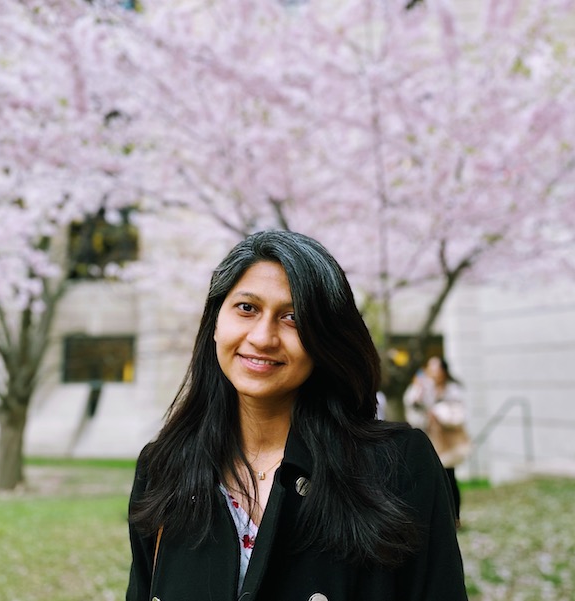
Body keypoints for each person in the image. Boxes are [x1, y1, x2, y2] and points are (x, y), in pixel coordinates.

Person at [126, 230, 467, 601]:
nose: (262, 337)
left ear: (326, 339)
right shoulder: (163, 468)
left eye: (292, 317)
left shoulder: (398, 465)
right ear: (215, 323)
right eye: (247, 308)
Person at [403, 356, 471, 526]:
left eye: (436, 368)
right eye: (430, 367)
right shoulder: (425, 387)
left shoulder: (452, 390)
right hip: (432, 438)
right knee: (433, 477)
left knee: (449, 477)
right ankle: (440, 518)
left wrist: (438, 413)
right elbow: (413, 404)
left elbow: (458, 414)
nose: (433, 372)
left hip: (449, 439)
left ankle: (454, 517)